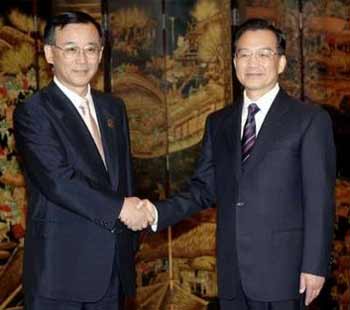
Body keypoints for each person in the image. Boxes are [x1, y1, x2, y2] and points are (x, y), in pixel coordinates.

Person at [126, 18, 336, 309]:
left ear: (281, 63)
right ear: (235, 62)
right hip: (232, 272)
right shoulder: (218, 122)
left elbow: (320, 200)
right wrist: (154, 212)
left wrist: (315, 265)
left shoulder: (309, 120)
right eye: (244, 54)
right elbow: (203, 188)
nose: (253, 63)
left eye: (264, 54)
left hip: (286, 272)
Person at [14, 11, 152, 310]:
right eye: (71, 49)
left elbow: (123, 176)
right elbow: (58, 181)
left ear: (101, 54)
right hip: (62, 272)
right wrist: (121, 208)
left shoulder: (112, 107)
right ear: (50, 54)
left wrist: (133, 235)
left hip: (113, 267)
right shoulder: (35, 111)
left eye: (91, 49)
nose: (82, 59)